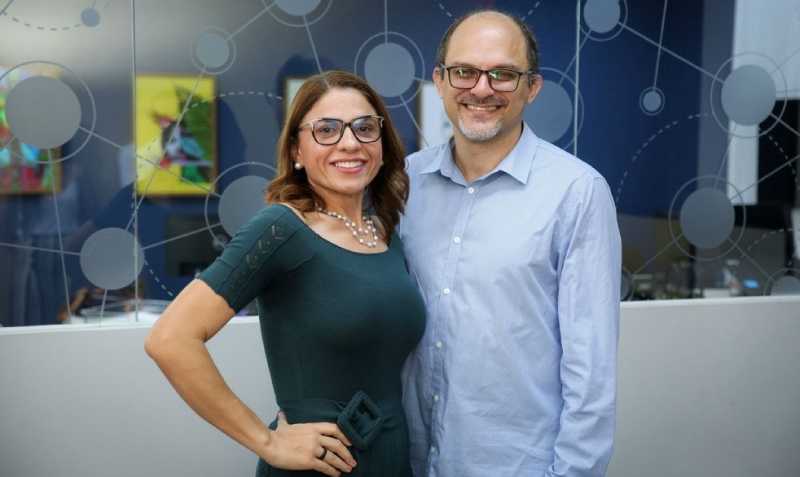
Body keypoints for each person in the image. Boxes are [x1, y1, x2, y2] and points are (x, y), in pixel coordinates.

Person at [146, 70, 426, 477]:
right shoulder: (280, 229)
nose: (350, 142)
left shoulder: (385, 230)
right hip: (319, 468)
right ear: (296, 149)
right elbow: (169, 339)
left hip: (392, 458)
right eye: (326, 130)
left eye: (365, 128)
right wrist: (268, 441)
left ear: (382, 144)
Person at [399, 9, 621, 477]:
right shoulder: (404, 183)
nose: (482, 88)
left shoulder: (577, 192)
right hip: (409, 461)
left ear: (531, 88)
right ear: (440, 81)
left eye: (503, 74)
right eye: (464, 72)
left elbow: (591, 374)